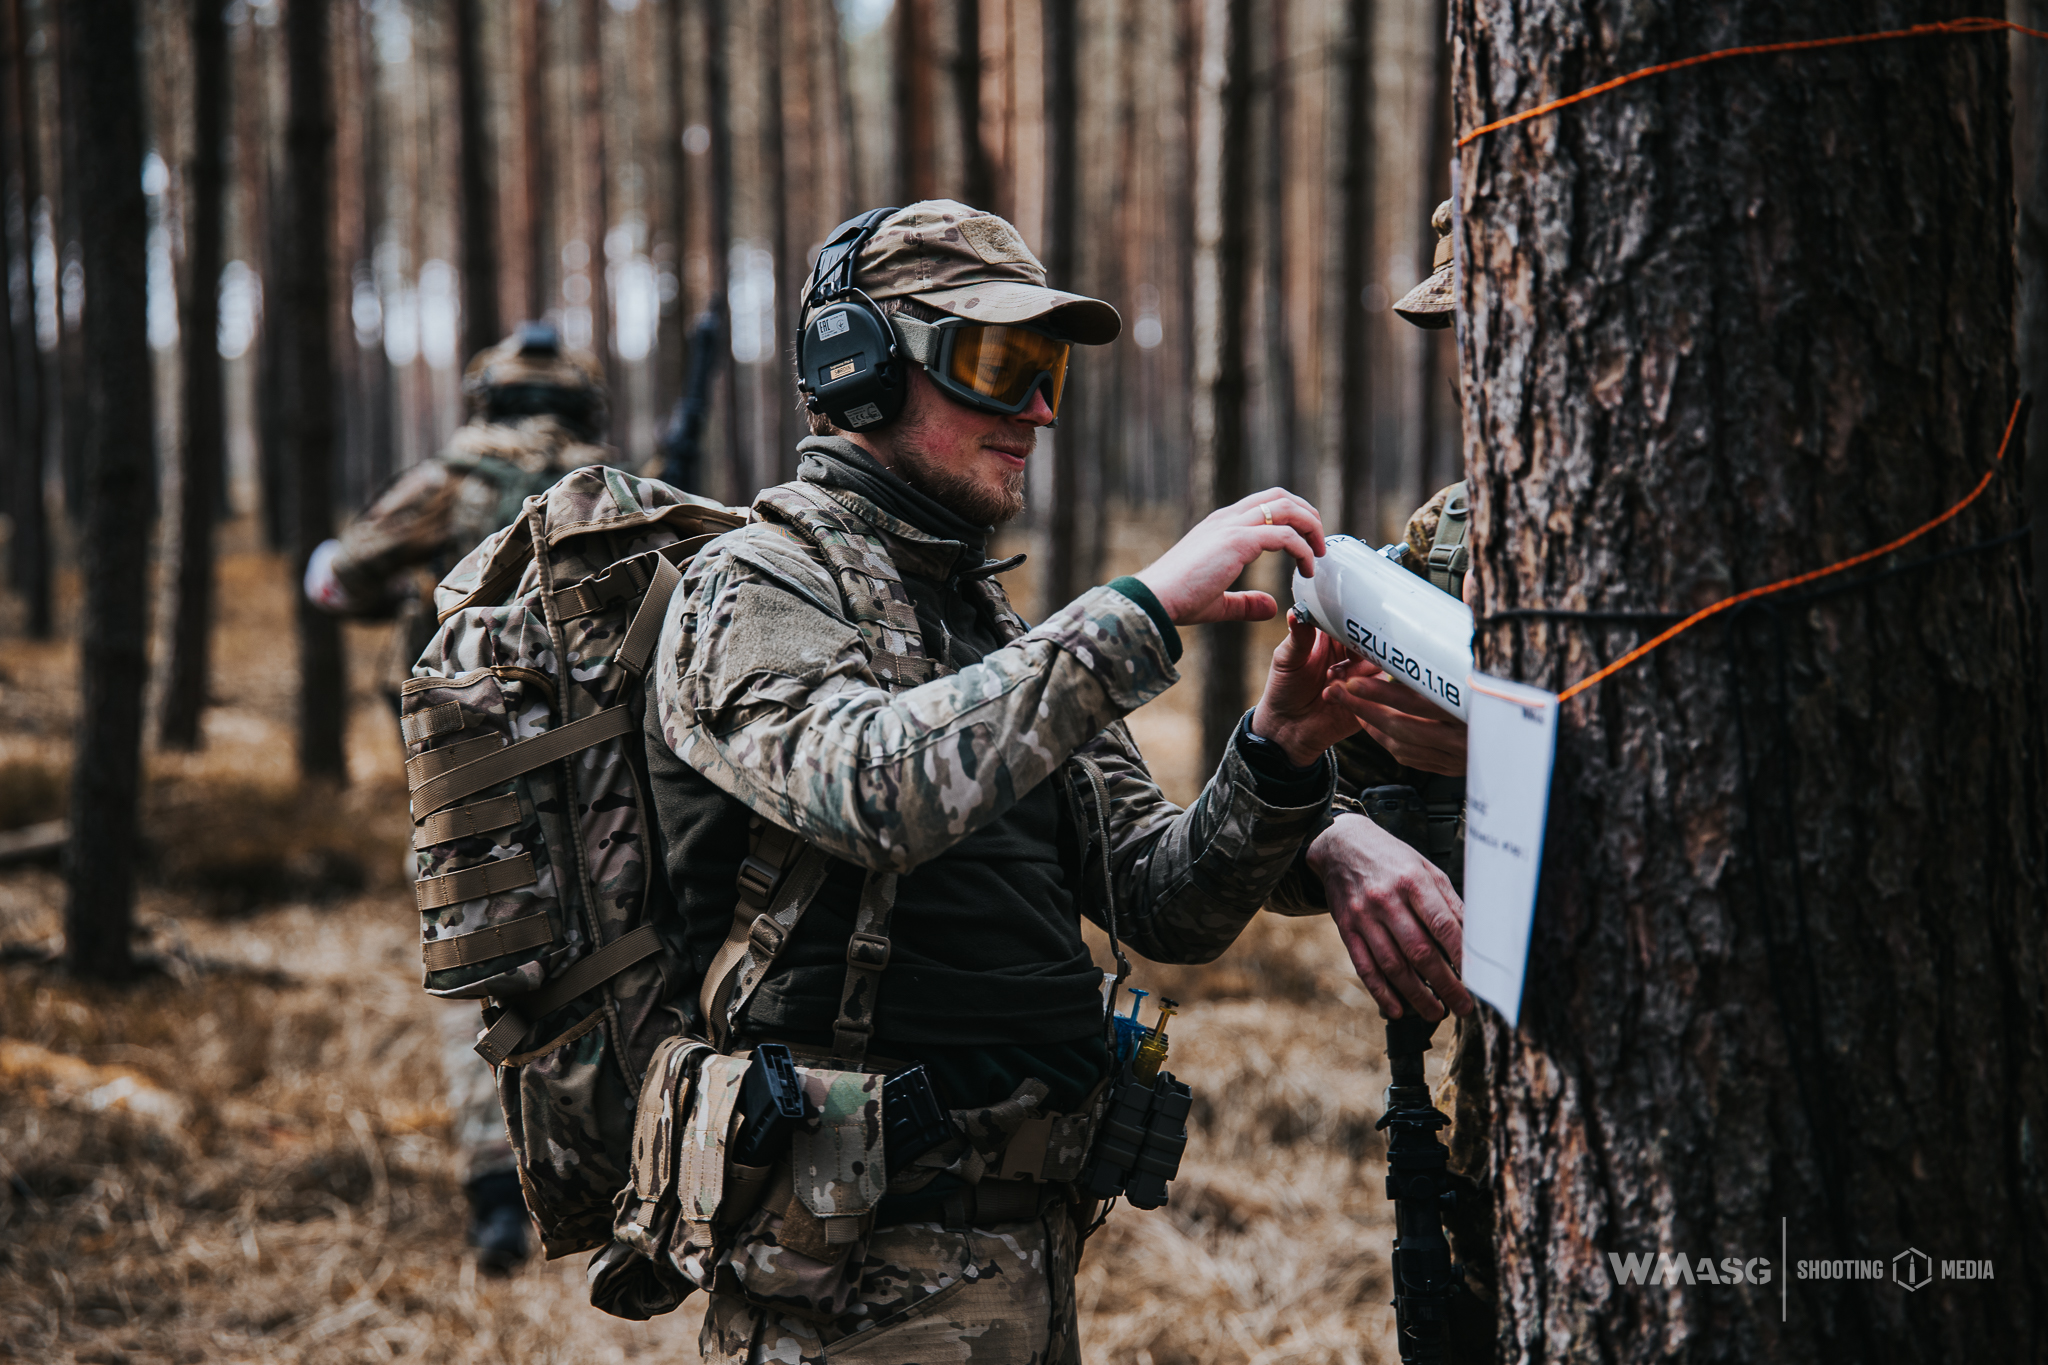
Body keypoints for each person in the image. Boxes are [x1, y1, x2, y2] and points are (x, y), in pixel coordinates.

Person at [645, 200, 1364, 1363]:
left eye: (1046, 370)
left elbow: (1157, 897)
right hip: (839, 1291)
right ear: (861, 369)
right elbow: (866, 792)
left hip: (1026, 1260)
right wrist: (1132, 614)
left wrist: (1274, 755)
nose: (1035, 407)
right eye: (993, 362)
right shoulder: (750, 589)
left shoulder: (988, 625)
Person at [304, 320, 612, 1274]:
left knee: (472, 958)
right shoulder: (613, 482)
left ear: (491, 397)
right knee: (602, 953)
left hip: (466, 769)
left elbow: (337, 579)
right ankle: (613, 1165)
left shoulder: (447, 479)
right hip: (595, 766)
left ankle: (496, 1191)